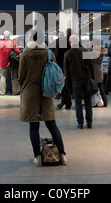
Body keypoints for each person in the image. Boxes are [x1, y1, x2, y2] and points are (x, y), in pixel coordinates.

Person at [18, 30, 66, 166]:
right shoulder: (50, 53)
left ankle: (37, 157)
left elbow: (21, 76)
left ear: (31, 39)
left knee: (34, 125)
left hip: (30, 92)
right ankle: (62, 155)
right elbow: (56, 72)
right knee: (51, 123)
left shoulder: (25, 54)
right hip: (47, 91)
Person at [64, 34, 93, 129]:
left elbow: (66, 72)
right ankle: (89, 122)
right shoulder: (85, 51)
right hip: (86, 80)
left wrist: (68, 86)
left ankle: (80, 123)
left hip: (75, 81)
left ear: (70, 42)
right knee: (88, 102)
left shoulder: (67, 54)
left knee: (77, 102)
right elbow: (90, 66)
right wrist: (92, 79)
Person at [0, 30, 20, 95]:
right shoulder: (12, 43)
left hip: (3, 62)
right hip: (12, 62)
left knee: (3, 77)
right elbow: (17, 51)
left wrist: (2, 57)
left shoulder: (0, 43)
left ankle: (2, 92)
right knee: (14, 77)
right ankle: (15, 91)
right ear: (9, 36)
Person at [54, 29, 72, 110]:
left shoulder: (57, 43)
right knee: (65, 85)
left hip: (61, 66)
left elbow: (56, 55)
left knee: (63, 85)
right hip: (69, 66)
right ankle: (64, 101)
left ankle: (66, 102)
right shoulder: (69, 42)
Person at [90, 38, 108, 107]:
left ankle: (95, 102)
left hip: (94, 72)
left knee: (95, 88)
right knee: (100, 87)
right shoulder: (101, 51)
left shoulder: (93, 52)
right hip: (99, 71)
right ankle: (105, 102)